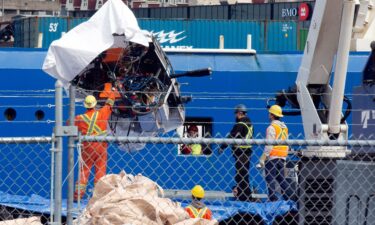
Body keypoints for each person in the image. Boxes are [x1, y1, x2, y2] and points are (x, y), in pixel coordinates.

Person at [74, 89, 115, 201]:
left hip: (87, 147)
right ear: (95, 104)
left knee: (84, 171)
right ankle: (99, 197)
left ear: (85, 105)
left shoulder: (79, 118)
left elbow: (69, 125)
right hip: (101, 146)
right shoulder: (102, 113)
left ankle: (78, 196)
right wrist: (112, 90)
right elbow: (109, 104)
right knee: (100, 170)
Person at [258, 105, 294, 201]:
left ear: (272, 115)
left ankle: (273, 200)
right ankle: (289, 198)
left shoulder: (271, 127)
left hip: (273, 157)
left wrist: (263, 158)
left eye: (270, 113)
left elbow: (269, 144)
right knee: (281, 179)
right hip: (282, 157)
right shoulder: (284, 127)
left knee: (270, 178)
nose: (269, 115)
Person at [220, 104, 253, 201]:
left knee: (240, 176)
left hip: (241, 153)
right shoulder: (249, 123)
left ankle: (245, 197)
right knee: (244, 176)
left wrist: (223, 147)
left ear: (239, 113)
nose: (235, 116)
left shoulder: (240, 124)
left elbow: (231, 136)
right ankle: (246, 197)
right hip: (247, 153)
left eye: (236, 114)